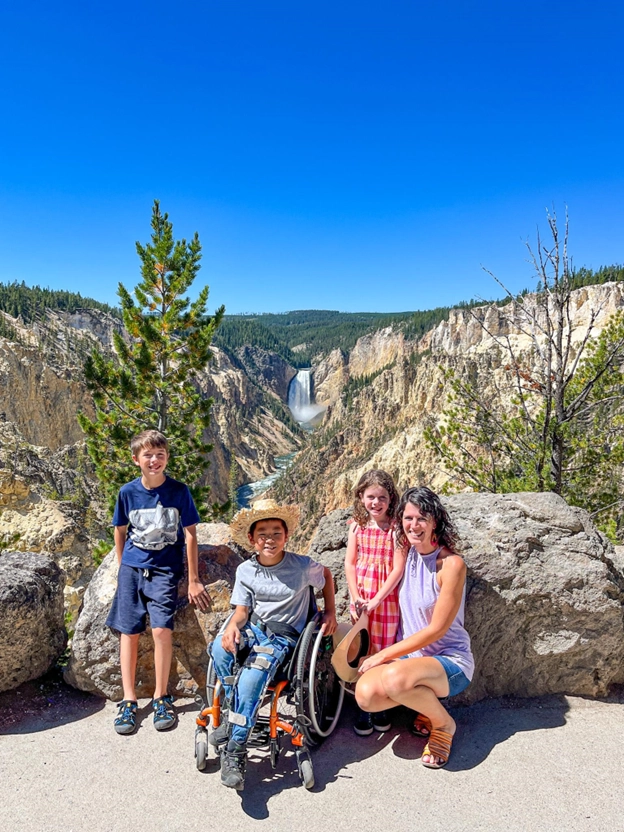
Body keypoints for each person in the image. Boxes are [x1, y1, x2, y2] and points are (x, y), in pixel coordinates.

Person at [210, 498, 337, 791]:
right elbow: (241, 613)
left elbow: (327, 577)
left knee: (253, 675)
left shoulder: (302, 566)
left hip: (283, 638)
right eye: (263, 533)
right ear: (252, 539)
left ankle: (235, 749)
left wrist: (329, 611)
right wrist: (231, 629)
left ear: (286, 536)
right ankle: (234, 717)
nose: (270, 538)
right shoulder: (245, 571)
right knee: (219, 648)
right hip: (254, 629)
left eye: (276, 532)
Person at [355, 486, 473, 768]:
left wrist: (382, 655)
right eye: (408, 518)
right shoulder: (406, 554)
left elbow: (436, 630)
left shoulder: (451, 565)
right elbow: (368, 535)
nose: (414, 525)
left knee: (395, 678)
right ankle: (425, 704)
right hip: (411, 660)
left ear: (436, 521)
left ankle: (443, 724)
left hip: (449, 662)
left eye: (422, 518)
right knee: (365, 695)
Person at [106, 429, 210, 735]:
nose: (155, 461)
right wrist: (123, 564)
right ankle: (129, 700)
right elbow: (119, 529)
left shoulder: (179, 491)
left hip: (164, 570)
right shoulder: (128, 493)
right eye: (148, 456)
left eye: (160, 455)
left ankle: (161, 696)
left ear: (167, 458)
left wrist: (193, 579)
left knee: (163, 629)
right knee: (130, 631)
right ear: (136, 459)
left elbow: (190, 534)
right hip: (132, 570)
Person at [345, 469, 406, 736]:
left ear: (391, 499)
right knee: (362, 648)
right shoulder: (357, 526)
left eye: (382, 497)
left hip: (386, 598)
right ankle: (364, 703)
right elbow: (350, 562)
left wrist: (378, 598)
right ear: (361, 497)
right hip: (361, 598)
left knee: (383, 650)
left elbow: (397, 568)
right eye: (371, 497)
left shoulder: (396, 529)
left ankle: (381, 704)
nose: (376, 503)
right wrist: (355, 595)